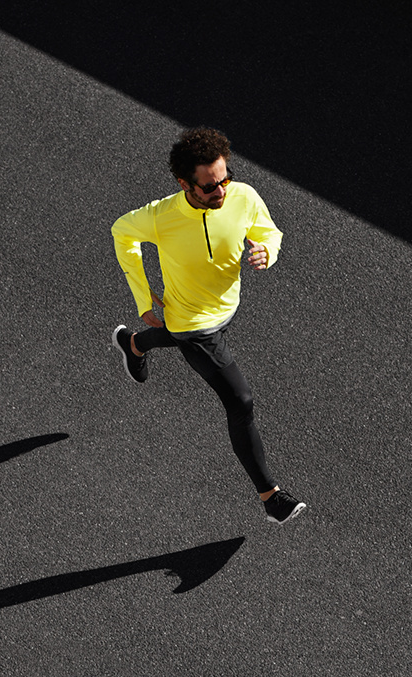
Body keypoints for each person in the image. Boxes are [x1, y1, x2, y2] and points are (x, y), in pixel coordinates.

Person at [110, 126, 305, 525]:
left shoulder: (242, 195)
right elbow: (121, 233)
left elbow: (268, 229)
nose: (222, 192)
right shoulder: (161, 217)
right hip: (192, 323)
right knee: (240, 401)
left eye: (225, 179)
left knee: (177, 337)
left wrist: (267, 250)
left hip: (226, 306)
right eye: (210, 187)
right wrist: (144, 298)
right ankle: (271, 498)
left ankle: (133, 345)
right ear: (185, 184)